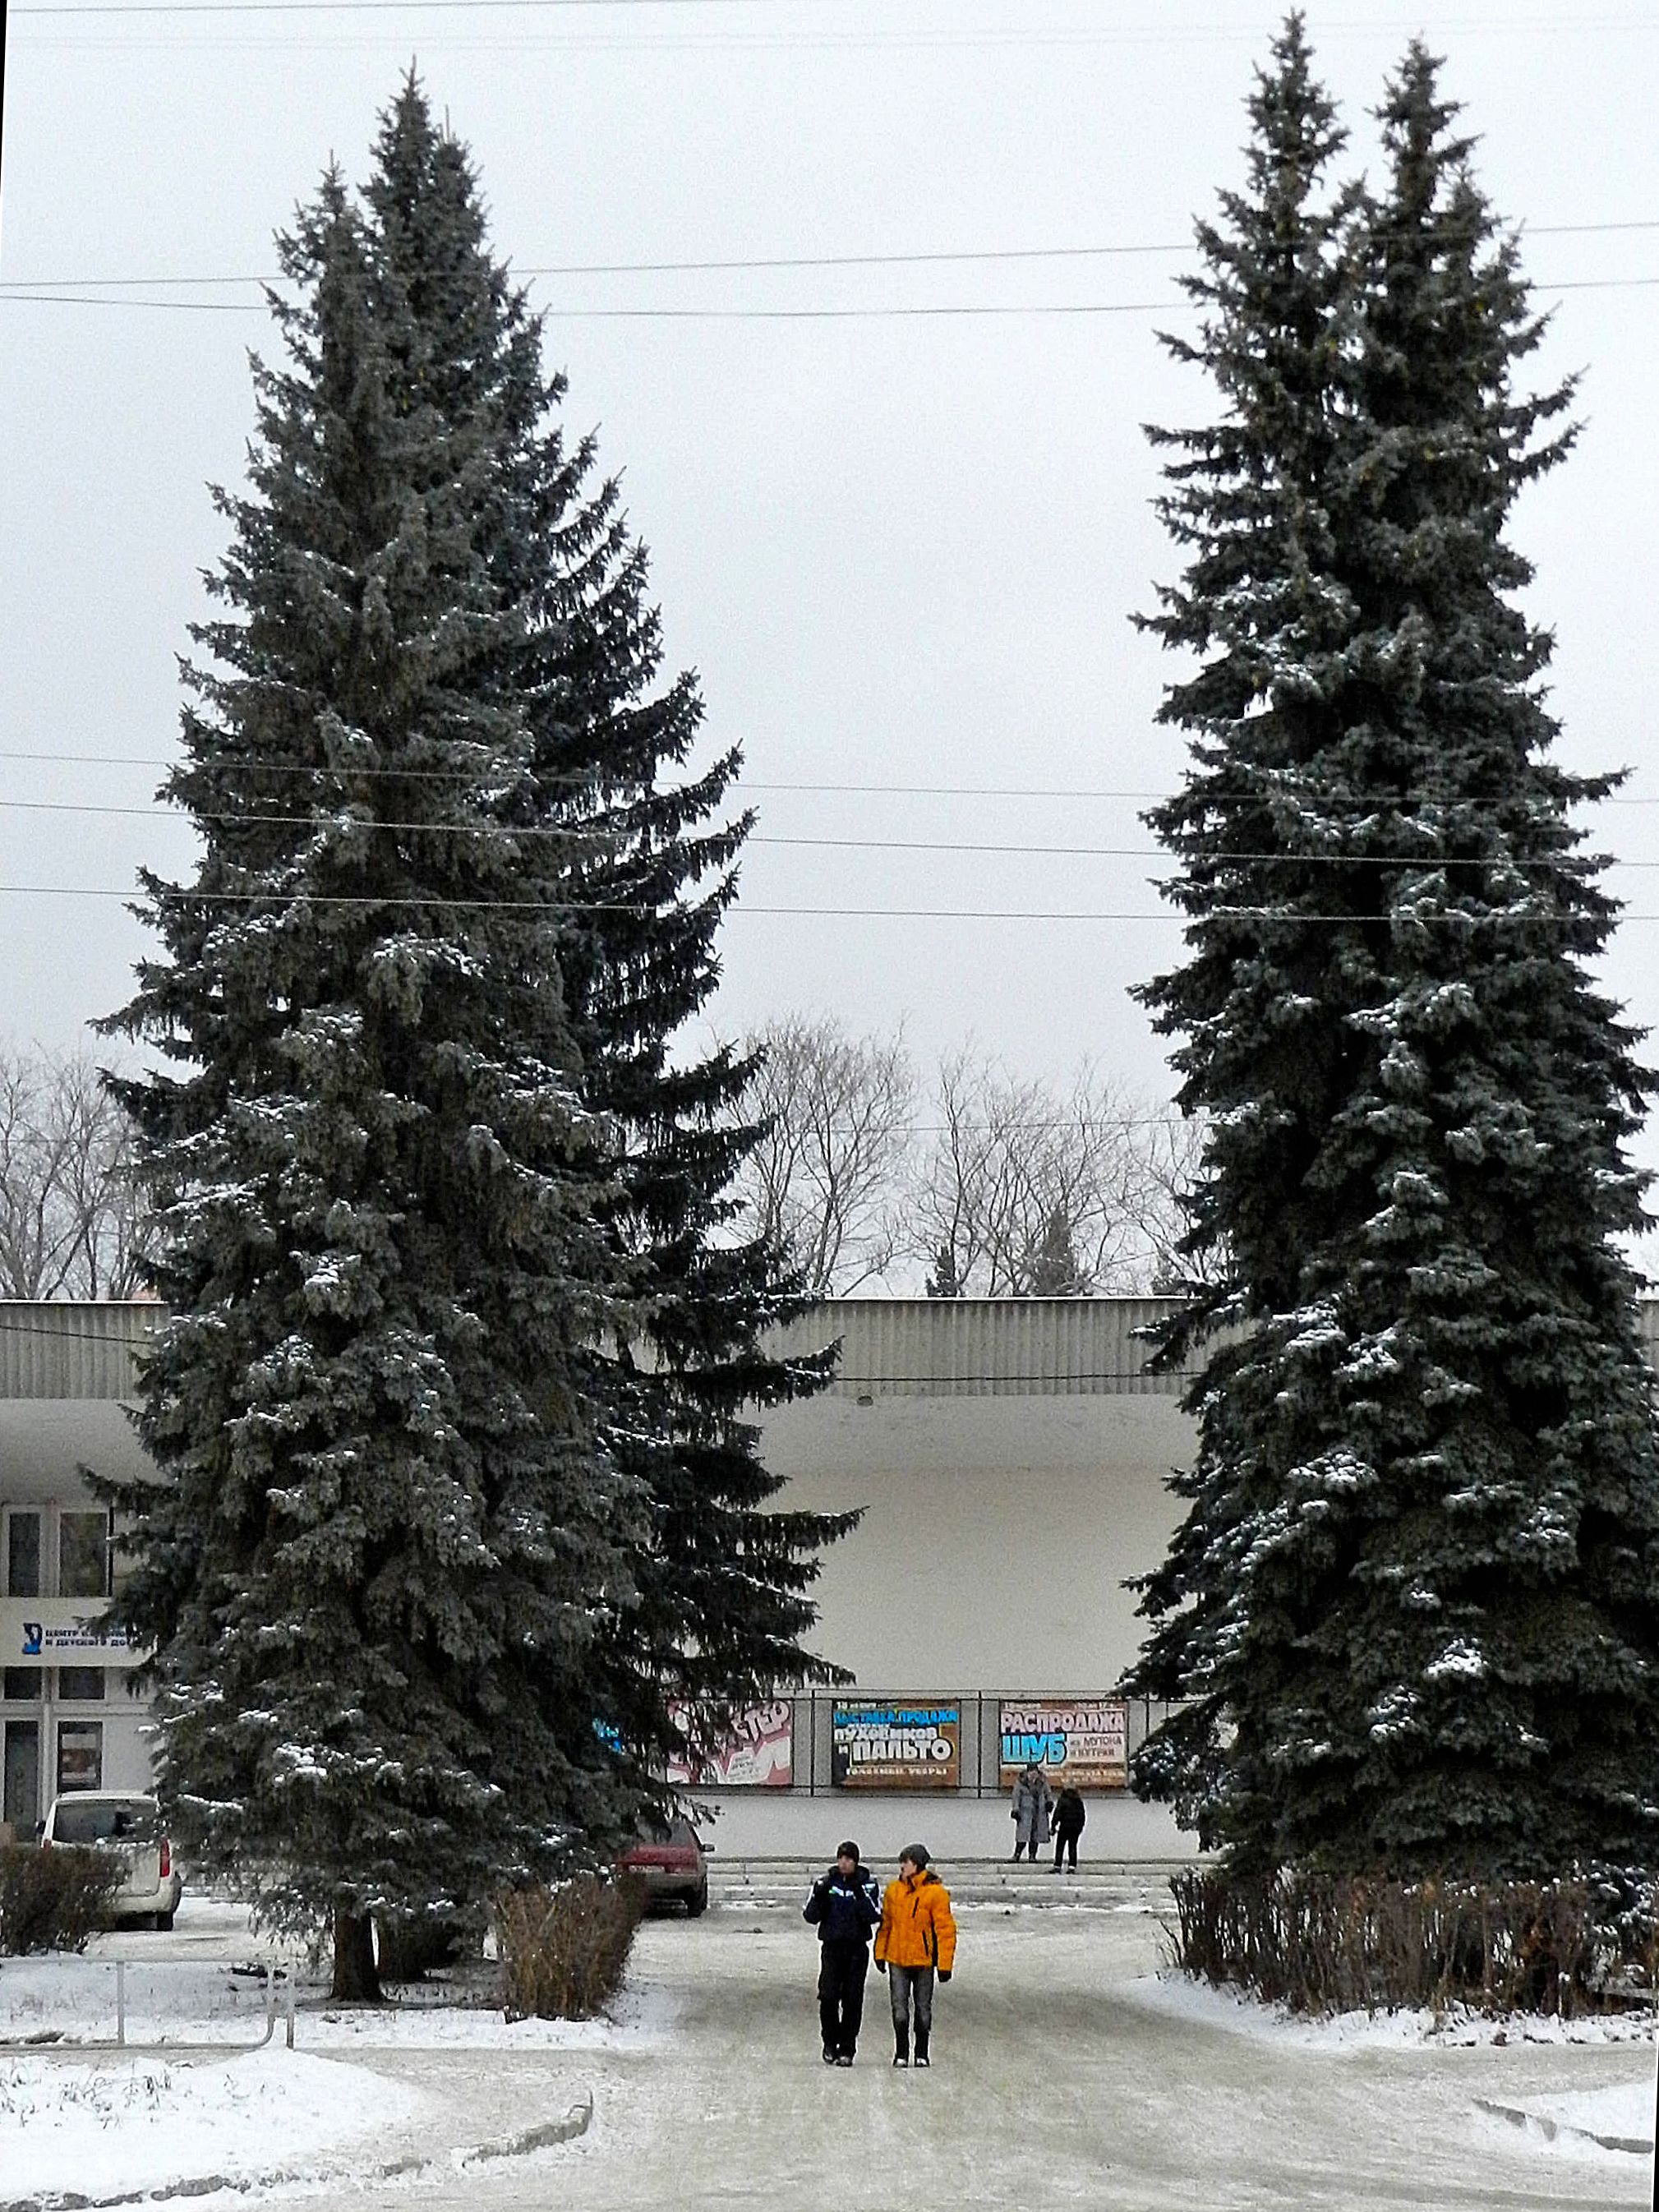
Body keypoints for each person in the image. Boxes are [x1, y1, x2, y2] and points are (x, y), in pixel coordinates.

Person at [874, 1843, 957, 2067]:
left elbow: (945, 1930)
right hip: (897, 1959)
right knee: (899, 2008)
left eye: (906, 1862)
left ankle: (922, 2051)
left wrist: (944, 1964)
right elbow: (886, 1925)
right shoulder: (894, 1891)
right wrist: (880, 1953)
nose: (902, 1866)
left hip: (923, 1961)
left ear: (917, 1865)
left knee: (923, 2009)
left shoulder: (935, 1894)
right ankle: (901, 2051)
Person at [803, 1839, 882, 2065]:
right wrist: (819, 1895)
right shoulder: (827, 1883)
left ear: (856, 1862)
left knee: (852, 1999)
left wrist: (859, 1894)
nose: (844, 1863)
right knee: (828, 1997)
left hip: (857, 1949)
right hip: (832, 1947)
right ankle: (829, 2042)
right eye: (841, 1858)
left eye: (849, 1859)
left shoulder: (867, 1885)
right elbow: (810, 1916)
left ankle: (847, 2047)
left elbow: (874, 1915)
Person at [1010, 1760, 1053, 1861]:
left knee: (1036, 1836)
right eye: (1032, 1773)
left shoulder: (1043, 1782)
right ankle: (1017, 1854)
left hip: (1039, 1812)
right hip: (1025, 1812)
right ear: (1028, 1773)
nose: (1034, 1775)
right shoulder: (1021, 1783)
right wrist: (1016, 1809)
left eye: (1035, 1773)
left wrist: (1049, 1803)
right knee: (1023, 1836)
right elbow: (1016, 1796)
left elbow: (1048, 1793)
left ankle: (1032, 1855)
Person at [1051, 1785, 1085, 1871]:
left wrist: (1053, 1825)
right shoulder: (1078, 1801)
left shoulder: (1063, 1800)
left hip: (1064, 1826)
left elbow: (1057, 1814)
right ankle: (1072, 1866)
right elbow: (1082, 1816)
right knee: (1073, 1846)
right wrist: (1080, 1827)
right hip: (1075, 1828)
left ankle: (1058, 1865)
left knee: (1060, 1846)